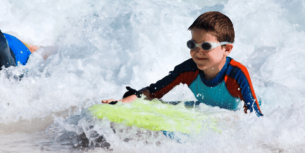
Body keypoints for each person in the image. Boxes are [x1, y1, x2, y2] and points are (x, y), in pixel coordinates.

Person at [102, 11, 263, 116]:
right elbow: (154, 92)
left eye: (206, 46)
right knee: (144, 102)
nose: (197, 52)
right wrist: (123, 103)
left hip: (231, 113)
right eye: (192, 45)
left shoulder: (236, 74)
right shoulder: (187, 70)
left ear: (226, 49)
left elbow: (254, 116)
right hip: (207, 111)